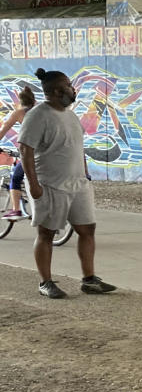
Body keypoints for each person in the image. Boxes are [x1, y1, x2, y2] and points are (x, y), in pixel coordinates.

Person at [18, 68, 115, 299]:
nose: (73, 90)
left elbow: (76, 147)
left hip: (78, 184)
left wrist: (85, 174)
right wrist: (34, 185)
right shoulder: (37, 116)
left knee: (87, 228)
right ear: (55, 91)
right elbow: (25, 150)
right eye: (69, 86)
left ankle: (89, 279)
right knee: (47, 233)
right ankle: (46, 282)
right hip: (50, 185)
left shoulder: (70, 115)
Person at [1, 86, 36, 219]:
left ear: (20, 102)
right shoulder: (41, 111)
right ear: (34, 100)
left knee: (15, 178)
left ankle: (16, 210)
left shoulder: (19, 113)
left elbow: (3, 130)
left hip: (31, 154)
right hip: (48, 152)